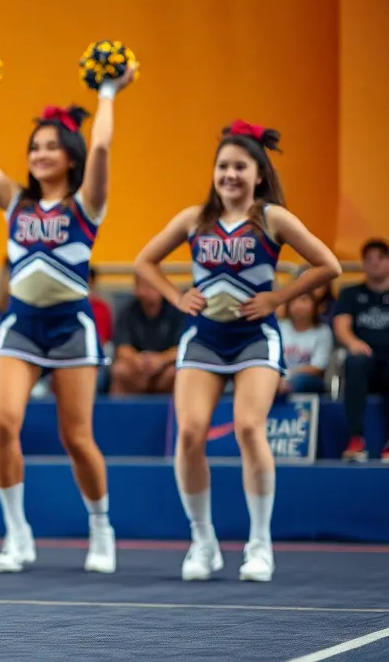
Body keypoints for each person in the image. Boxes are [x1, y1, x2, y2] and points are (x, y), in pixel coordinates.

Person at [135, 120, 340, 583]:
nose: (230, 175)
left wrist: (277, 299)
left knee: (249, 428)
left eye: (240, 167)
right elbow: (144, 261)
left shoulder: (273, 219)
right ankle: (203, 541)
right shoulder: (194, 220)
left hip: (254, 338)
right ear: (214, 173)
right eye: (223, 166)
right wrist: (175, 296)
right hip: (203, 339)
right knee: (189, 434)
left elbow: (327, 265)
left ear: (260, 174)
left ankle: (259, 544)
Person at [0, 65, 136, 574]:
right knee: (3, 424)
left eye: (52, 146)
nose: (39, 154)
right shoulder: (16, 203)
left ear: (70, 156)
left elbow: (101, 150)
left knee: (76, 437)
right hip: (21, 326)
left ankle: (101, 527)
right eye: (35, 146)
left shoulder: (86, 205)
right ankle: (17, 533)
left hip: (71, 328)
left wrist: (106, 93)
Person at [334, 238, 389, 461]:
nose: (374, 263)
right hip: (365, 362)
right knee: (354, 360)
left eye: (380, 258)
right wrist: (352, 342)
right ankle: (356, 440)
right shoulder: (351, 293)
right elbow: (341, 326)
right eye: (368, 259)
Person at [108, 275, 185, 396]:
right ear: (136, 289)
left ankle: (176, 413)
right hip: (137, 368)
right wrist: (137, 359)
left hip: (165, 368)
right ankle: (120, 413)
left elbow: (183, 347)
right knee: (120, 370)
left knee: (176, 373)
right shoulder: (128, 312)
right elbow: (122, 348)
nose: (149, 290)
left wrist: (162, 359)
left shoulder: (177, 311)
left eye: (153, 285)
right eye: (145, 286)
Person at [277, 292, 332, 395]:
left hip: (310, 379)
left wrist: (289, 376)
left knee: (299, 381)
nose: (298, 305)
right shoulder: (280, 328)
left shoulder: (323, 331)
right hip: (280, 376)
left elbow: (318, 367)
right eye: (294, 301)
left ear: (314, 305)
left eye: (304, 300)